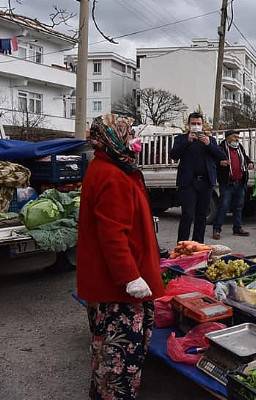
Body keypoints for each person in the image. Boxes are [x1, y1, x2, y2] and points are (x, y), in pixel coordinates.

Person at [77, 114, 165, 400]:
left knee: (105, 353)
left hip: (111, 284)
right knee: (119, 360)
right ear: (114, 139)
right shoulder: (111, 175)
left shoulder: (109, 166)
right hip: (118, 290)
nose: (133, 142)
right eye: (128, 136)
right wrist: (130, 277)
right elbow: (113, 234)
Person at [170, 112, 226, 243]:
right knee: (187, 215)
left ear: (203, 125)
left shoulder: (209, 140)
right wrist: (187, 142)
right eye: (193, 124)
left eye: (198, 124)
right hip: (188, 182)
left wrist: (209, 144)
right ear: (188, 125)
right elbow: (173, 155)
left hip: (205, 182)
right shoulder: (181, 139)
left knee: (201, 216)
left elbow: (221, 156)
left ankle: (198, 245)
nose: (196, 126)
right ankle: (182, 245)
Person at [213, 130, 254, 239]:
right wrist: (220, 163)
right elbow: (213, 161)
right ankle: (217, 229)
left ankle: (237, 228)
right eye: (234, 137)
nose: (237, 139)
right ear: (227, 137)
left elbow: (244, 157)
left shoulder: (239, 147)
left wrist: (249, 162)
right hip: (227, 183)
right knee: (223, 206)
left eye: (238, 137)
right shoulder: (220, 148)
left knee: (238, 206)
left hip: (240, 182)